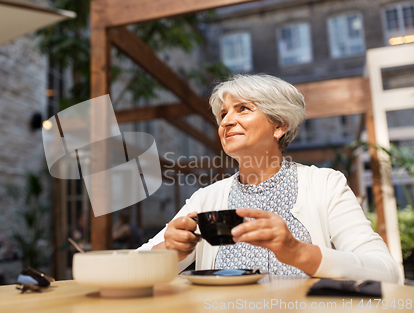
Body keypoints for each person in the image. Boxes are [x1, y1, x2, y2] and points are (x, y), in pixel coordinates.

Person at [137, 74, 401, 284]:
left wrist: (298, 252)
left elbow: (386, 271)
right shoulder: (206, 198)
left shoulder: (326, 185)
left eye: (242, 109)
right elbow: (134, 266)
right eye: (223, 114)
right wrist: (171, 251)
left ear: (279, 126)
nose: (227, 121)